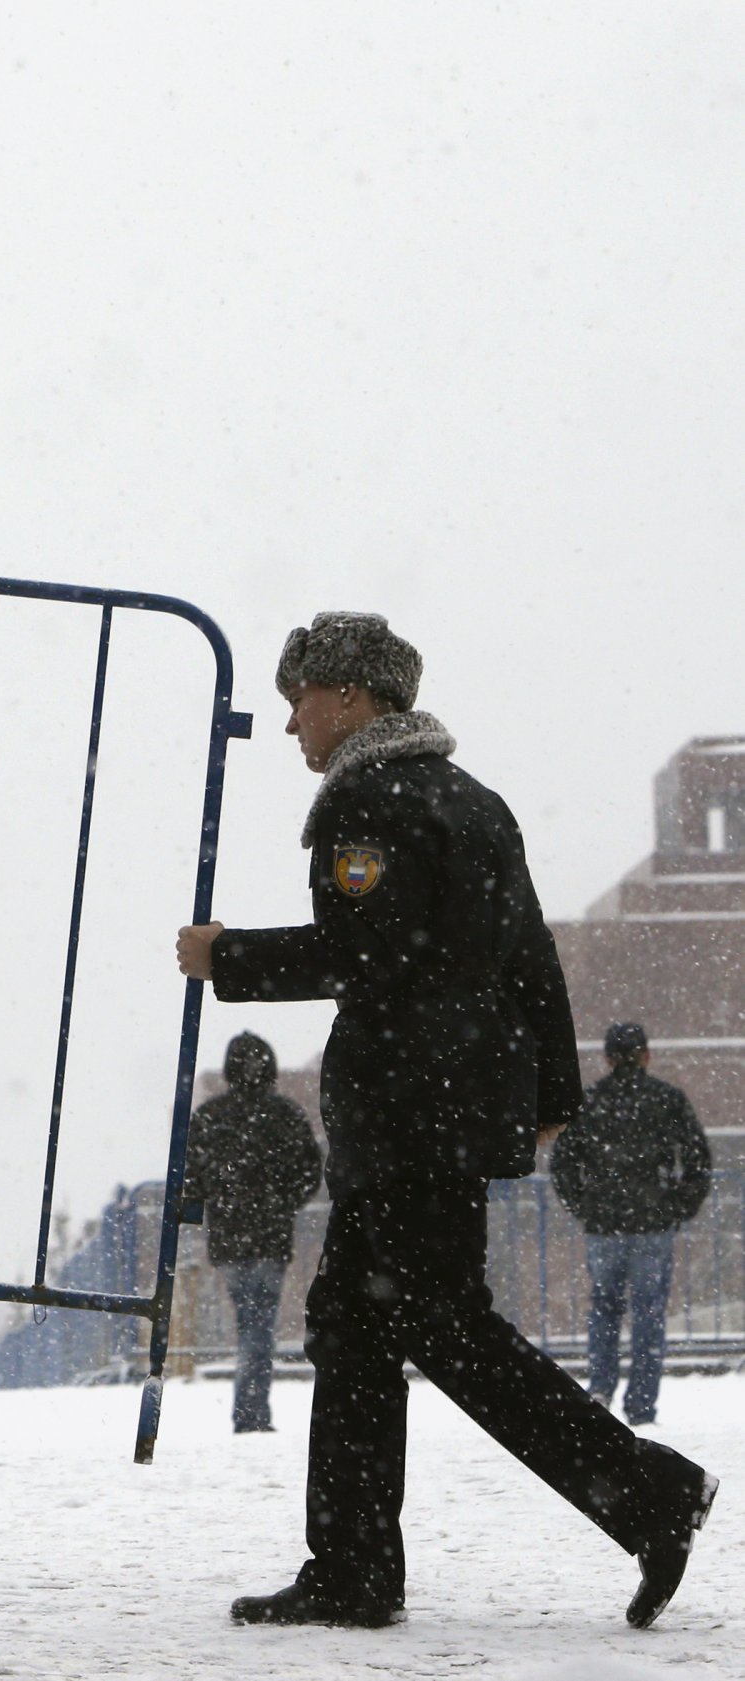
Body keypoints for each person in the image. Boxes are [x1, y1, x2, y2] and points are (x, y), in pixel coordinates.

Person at [178, 612, 719, 1631]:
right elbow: (529, 957)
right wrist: (551, 1096)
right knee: (356, 1321)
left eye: (301, 696)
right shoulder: (473, 801)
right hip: (447, 1109)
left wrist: (228, 959)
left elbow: (362, 954)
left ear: (349, 696)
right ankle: (351, 1566)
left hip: (404, 1111)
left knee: (437, 1324)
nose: (292, 720)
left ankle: (644, 1493)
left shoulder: (368, 801)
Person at [551, 1022, 714, 1427]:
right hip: (653, 1222)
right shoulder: (666, 1099)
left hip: (604, 1223)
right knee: (649, 1314)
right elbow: (697, 1158)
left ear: (607, 1058)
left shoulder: (589, 1102)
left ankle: (601, 1387)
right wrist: (678, 1206)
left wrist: (583, 1204)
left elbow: (563, 1163)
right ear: (646, 1055)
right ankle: (641, 1405)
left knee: (604, 1309)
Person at [182, 1031, 323, 1432]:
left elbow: (192, 1177)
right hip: (272, 1236)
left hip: (229, 1239)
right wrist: (282, 1203)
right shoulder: (285, 1115)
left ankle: (249, 1408)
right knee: (260, 1322)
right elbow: (310, 1170)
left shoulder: (210, 1117)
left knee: (249, 1320)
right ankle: (252, 1411)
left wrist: (219, 1203)